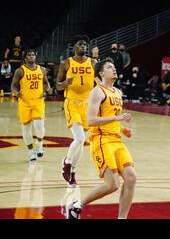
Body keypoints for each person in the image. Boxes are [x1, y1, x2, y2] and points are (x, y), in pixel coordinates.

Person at [66, 58, 136, 219]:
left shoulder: (117, 92)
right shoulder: (97, 91)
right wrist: (117, 119)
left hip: (116, 140)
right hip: (101, 141)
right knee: (112, 185)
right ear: (101, 73)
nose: (114, 69)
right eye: (109, 67)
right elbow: (91, 121)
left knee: (131, 178)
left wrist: (123, 129)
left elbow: (109, 118)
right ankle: (77, 206)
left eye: (114, 66)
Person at [57, 35, 96, 187]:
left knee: (82, 142)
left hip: (87, 105)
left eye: (85, 44)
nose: (83, 46)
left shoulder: (93, 62)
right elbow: (58, 86)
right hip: (72, 103)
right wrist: (65, 83)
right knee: (79, 138)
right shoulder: (66, 63)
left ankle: (72, 171)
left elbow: (100, 82)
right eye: (80, 44)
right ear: (73, 47)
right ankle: (66, 162)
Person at [11, 49, 52, 162]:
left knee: (39, 126)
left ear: (35, 56)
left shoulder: (42, 70)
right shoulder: (20, 71)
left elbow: (45, 82)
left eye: (33, 54)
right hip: (24, 102)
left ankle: (39, 143)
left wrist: (48, 88)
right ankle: (30, 152)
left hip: (38, 101)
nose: (31, 56)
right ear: (25, 58)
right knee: (26, 129)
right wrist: (17, 93)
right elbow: (13, 86)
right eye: (29, 55)